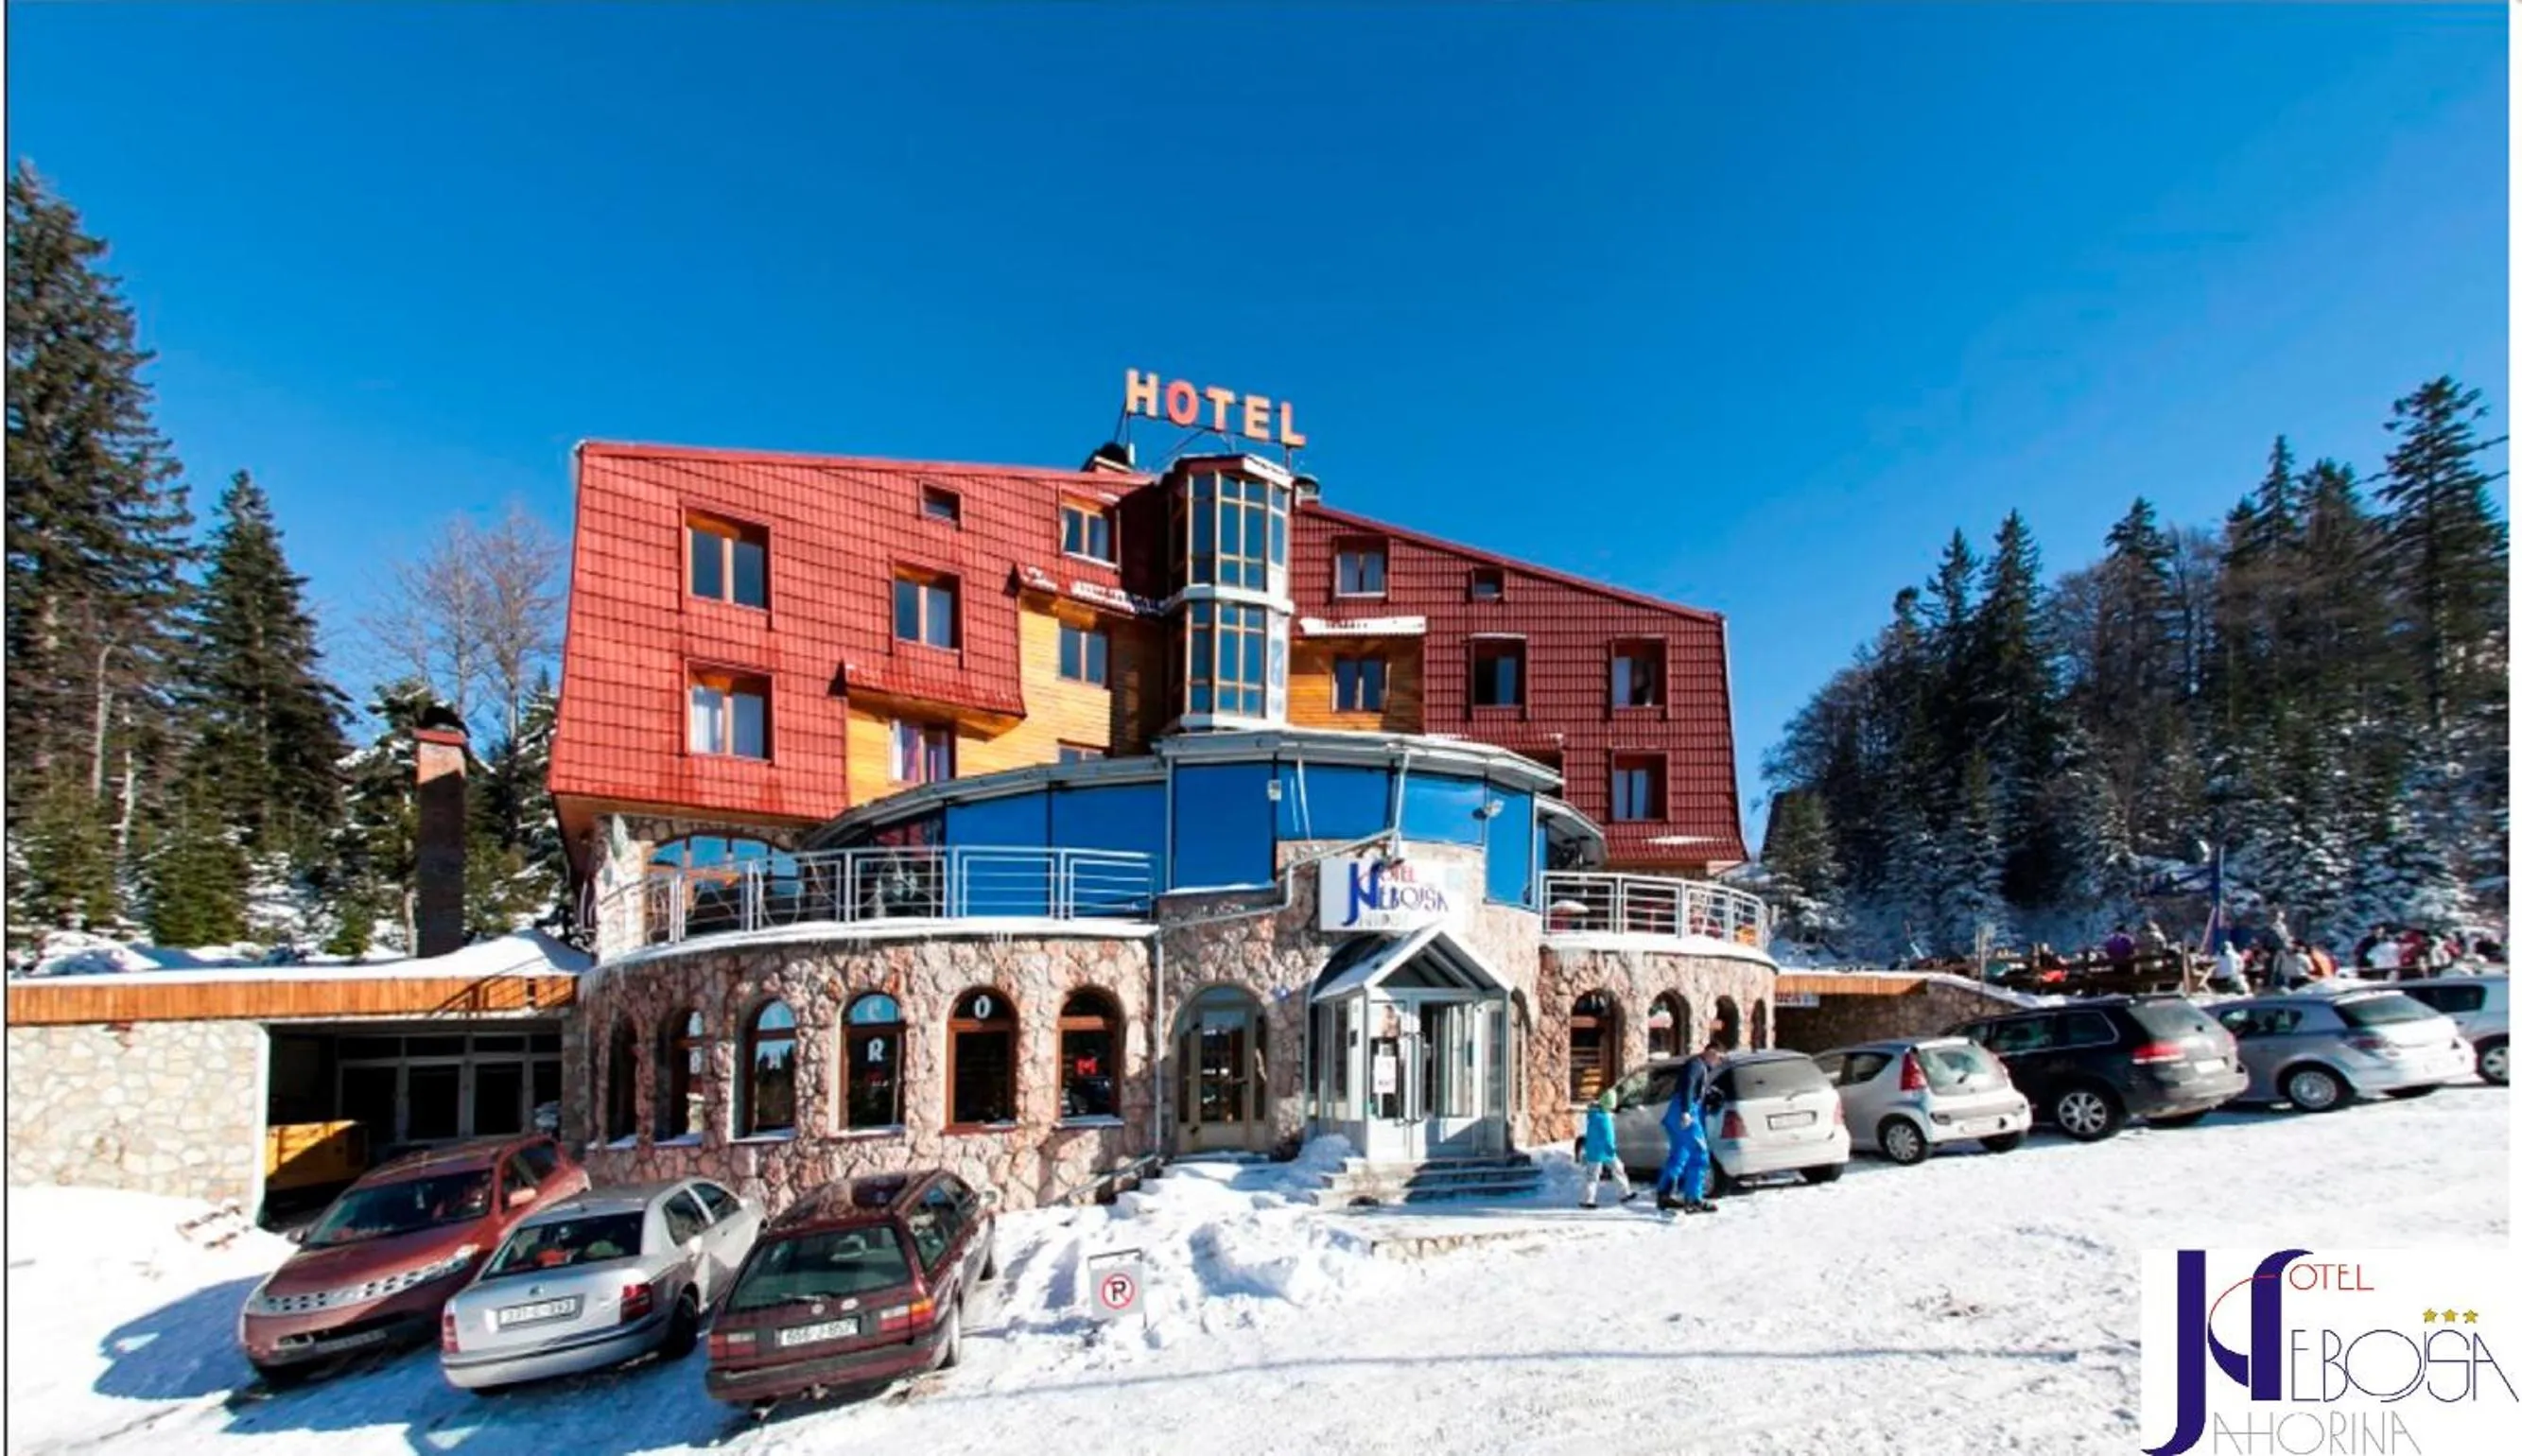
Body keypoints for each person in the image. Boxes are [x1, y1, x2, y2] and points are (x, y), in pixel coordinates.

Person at [1658, 1039, 1725, 1215]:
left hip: (1675, 1114)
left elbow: (1694, 1088)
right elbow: (1688, 1085)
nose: (1718, 1063)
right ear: (1712, 1053)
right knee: (1700, 1154)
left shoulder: (1698, 1066)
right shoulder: (1696, 1065)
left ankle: (1664, 1194)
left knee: (1679, 1154)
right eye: (1719, 1059)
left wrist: (1708, 1095)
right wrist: (1686, 1111)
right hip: (1685, 1114)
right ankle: (1694, 1199)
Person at [1576, 1087, 1638, 1209]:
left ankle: (1588, 1199)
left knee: (1593, 1175)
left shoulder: (1594, 1115)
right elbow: (1608, 1137)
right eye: (1611, 1107)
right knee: (1617, 1170)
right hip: (1606, 1150)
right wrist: (1611, 1148)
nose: (1612, 1109)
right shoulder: (1603, 1118)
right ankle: (1624, 1193)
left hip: (1594, 1151)